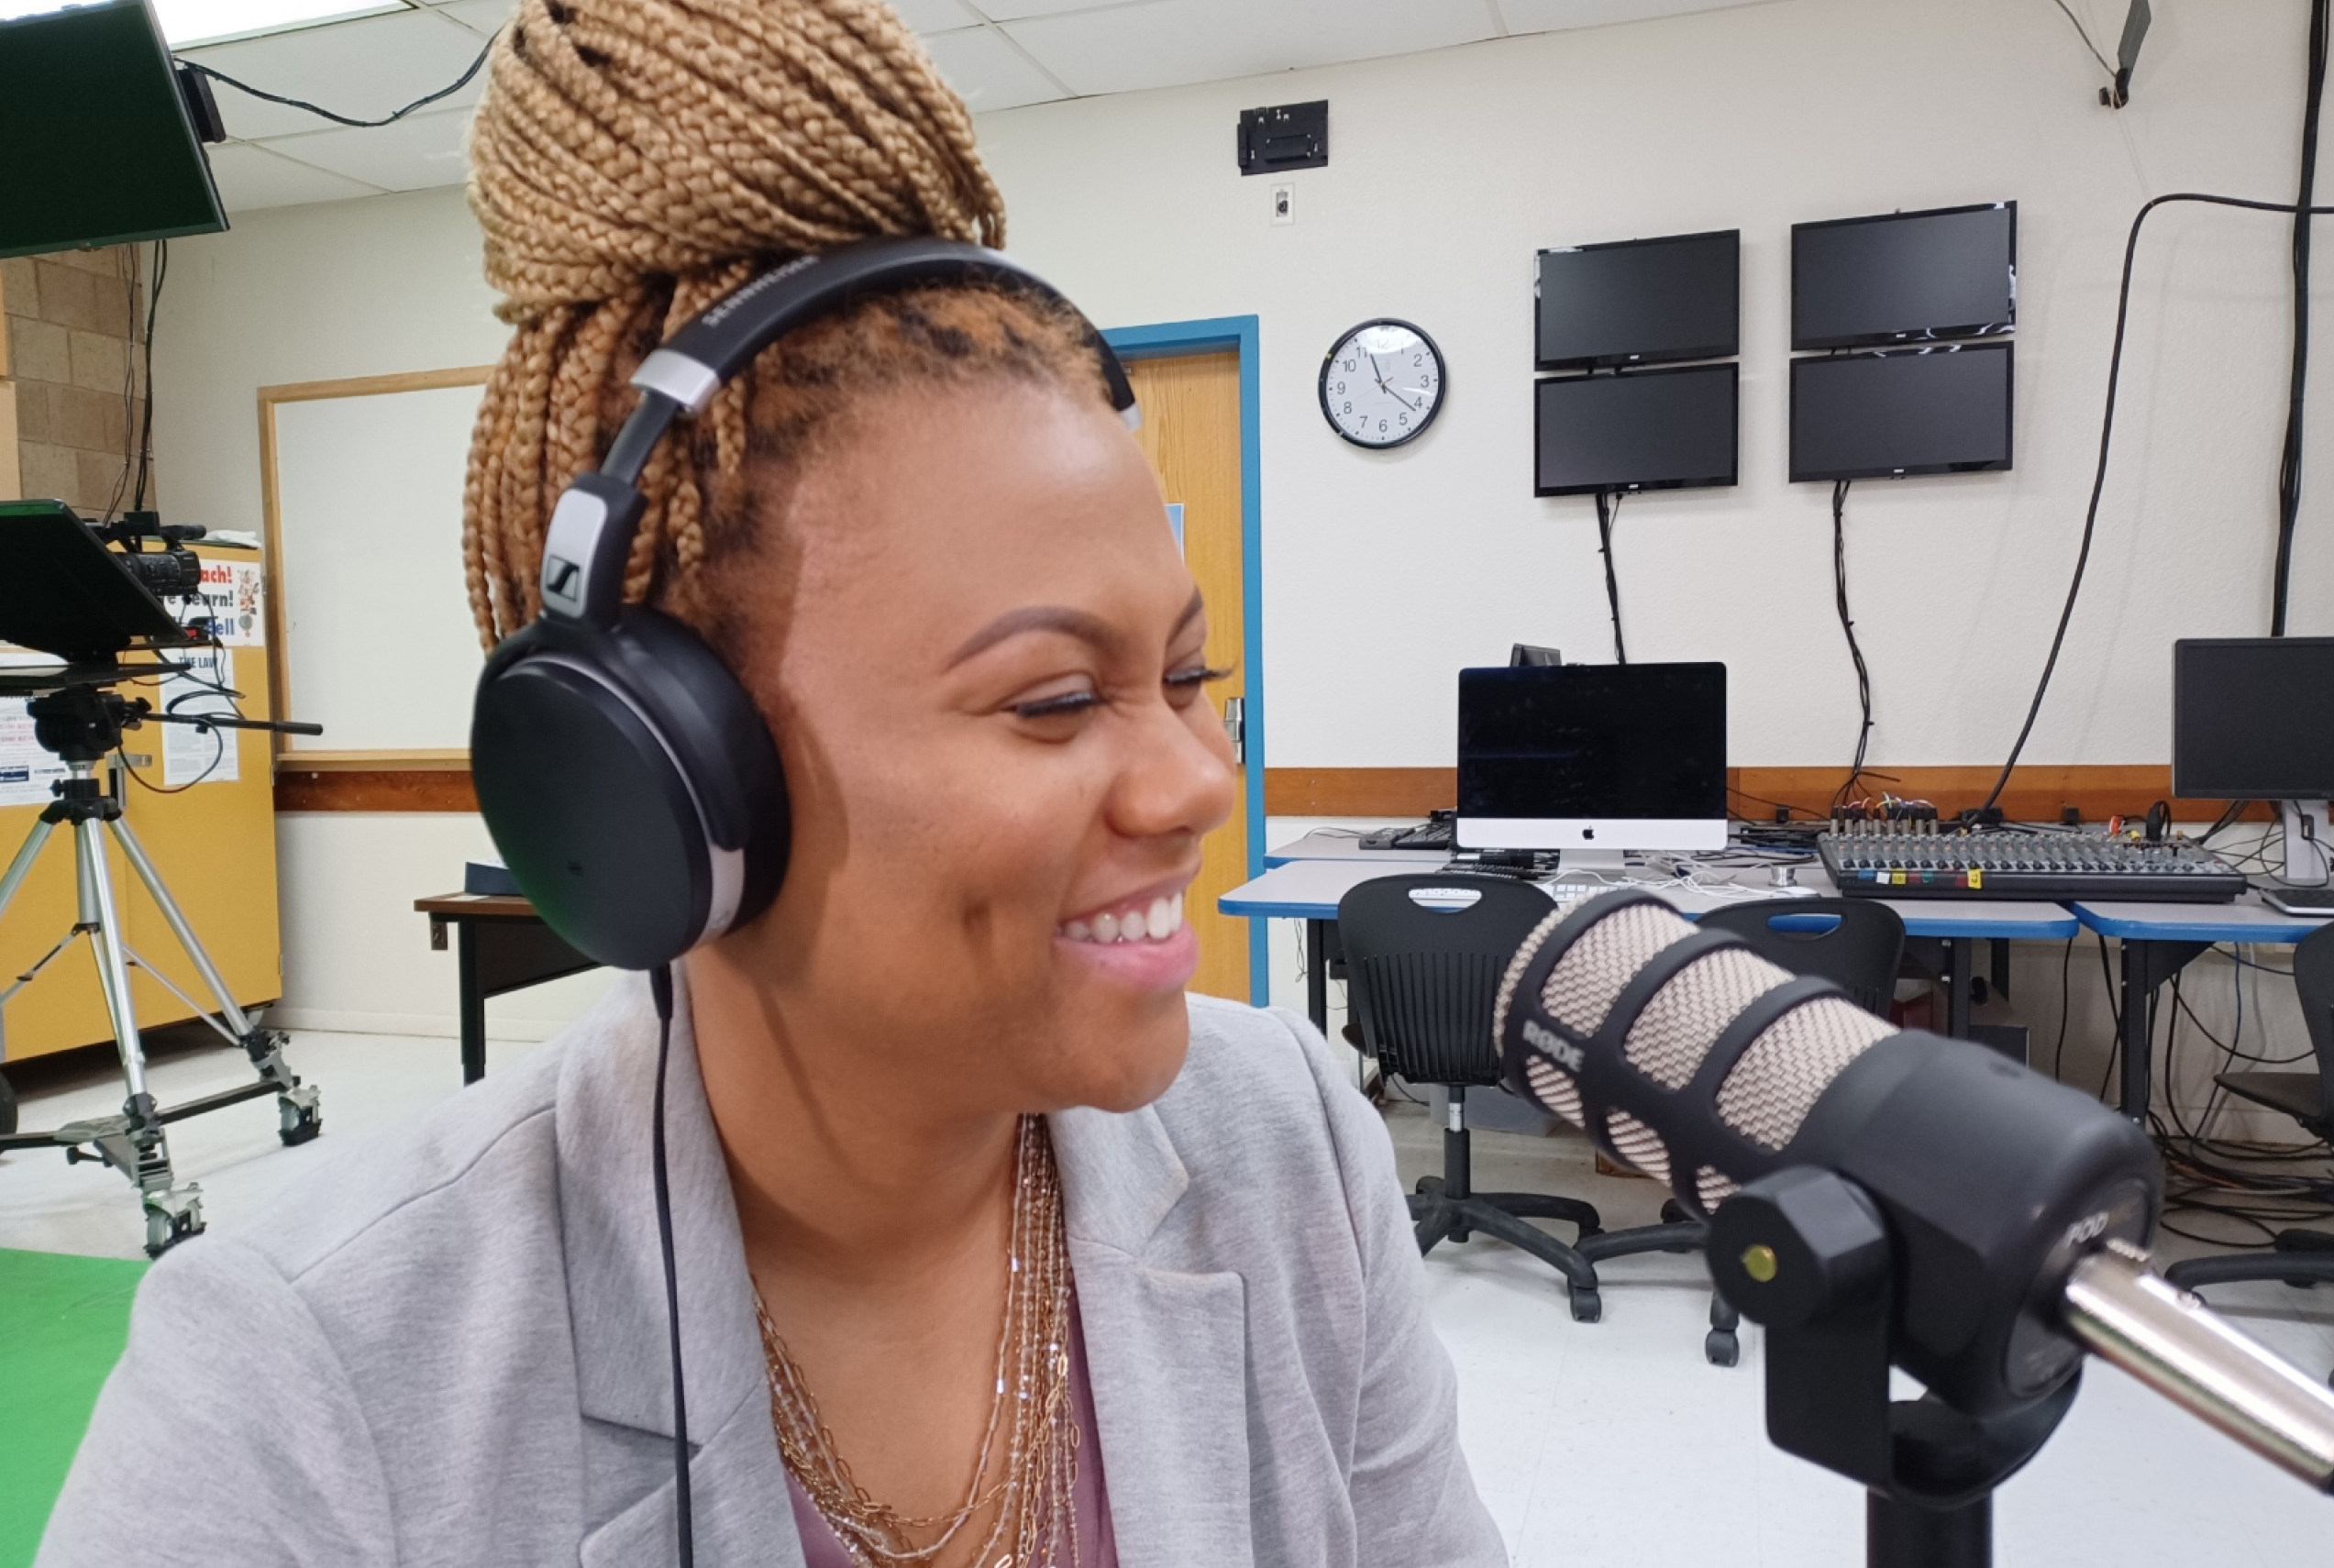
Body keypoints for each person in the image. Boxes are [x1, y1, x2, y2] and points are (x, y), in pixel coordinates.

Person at [37, 2, 1505, 1564]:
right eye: (1059, 698)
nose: (1196, 780)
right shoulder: (294, 1389)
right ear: (663, 773)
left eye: (1190, 675)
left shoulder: (1291, 1142)